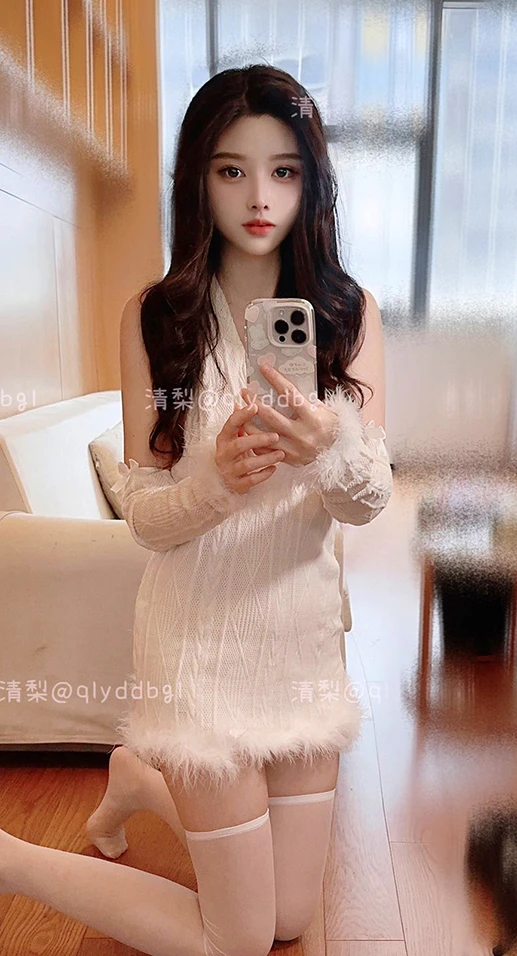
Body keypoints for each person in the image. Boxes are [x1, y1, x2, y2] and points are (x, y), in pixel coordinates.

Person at [0, 65, 393, 956]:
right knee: (236, 940)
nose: (259, 197)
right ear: (198, 181)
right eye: (231, 170)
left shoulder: (347, 314)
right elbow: (145, 516)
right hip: (198, 651)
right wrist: (215, 481)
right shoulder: (157, 318)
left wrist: (327, 446)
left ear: (311, 181)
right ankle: (14, 861)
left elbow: (369, 503)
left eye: (283, 171)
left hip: (298, 649)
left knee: (289, 921)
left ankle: (139, 783)